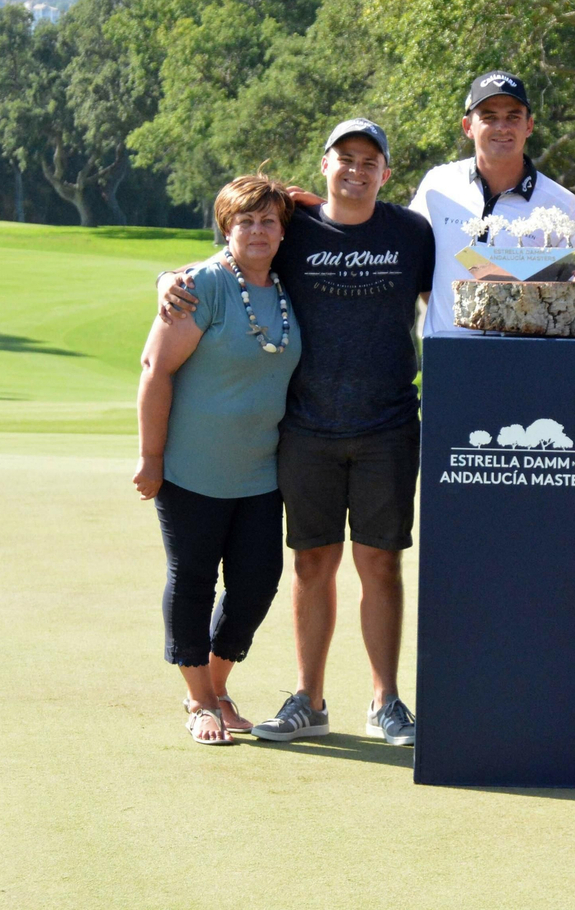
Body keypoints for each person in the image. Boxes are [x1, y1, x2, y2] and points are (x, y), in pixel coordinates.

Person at [158, 120, 435, 745]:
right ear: (325, 165)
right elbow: (239, 237)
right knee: (313, 564)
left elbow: (454, 293)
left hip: (388, 425)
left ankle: (386, 700)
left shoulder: (412, 233)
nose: (356, 170)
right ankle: (309, 699)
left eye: (370, 161)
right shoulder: (295, 228)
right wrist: (168, 278)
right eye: (344, 159)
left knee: (380, 563)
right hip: (305, 429)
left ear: (386, 172)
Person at [134, 175, 301, 744]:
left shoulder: (286, 284)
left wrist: (296, 198)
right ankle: (200, 701)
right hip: (190, 470)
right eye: (245, 221)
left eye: (269, 220)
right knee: (194, 580)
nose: (258, 230)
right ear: (225, 229)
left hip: (260, 471)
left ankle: (217, 683)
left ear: (283, 231)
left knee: (258, 581)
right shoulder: (199, 286)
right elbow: (155, 371)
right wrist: (150, 457)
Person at [410, 71, 575, 334]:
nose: (502, 127)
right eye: (489, 117)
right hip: (446, 354)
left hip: (525, 357)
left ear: (529, 126)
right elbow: (412, 257)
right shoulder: (437, 186)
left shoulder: (564, 205)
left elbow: (568, 296)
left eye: (513, 117)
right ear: (468, 127)